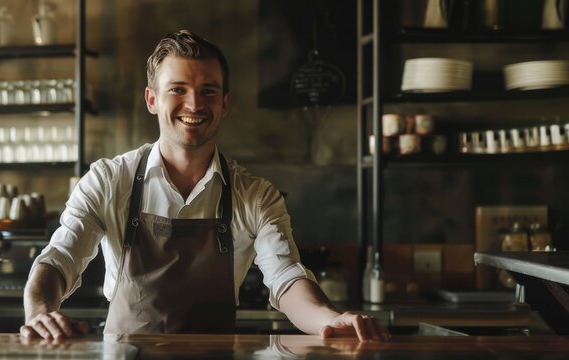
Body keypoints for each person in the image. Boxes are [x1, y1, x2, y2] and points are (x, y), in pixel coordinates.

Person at [21, 29, 390, 342]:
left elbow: (287, 279)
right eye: (177, 89)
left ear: (226, 103)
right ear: (152, 100)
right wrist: (39, 312)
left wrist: (328, 318)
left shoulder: (256, 195)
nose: (194, 103)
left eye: (209, 91)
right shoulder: (107, 181)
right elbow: (58, 261)